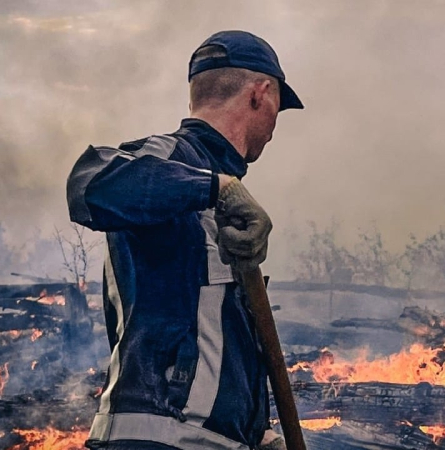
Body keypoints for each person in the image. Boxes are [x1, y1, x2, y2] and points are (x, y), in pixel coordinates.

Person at [66, 30, 303, 450]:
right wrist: (218, 188)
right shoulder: (173, 158)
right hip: (162, 439)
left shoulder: (205, 183)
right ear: (261, 94)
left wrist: (253, 432)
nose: (273, 129)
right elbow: (92, 186)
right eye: (278, 110)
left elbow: (210, 333)